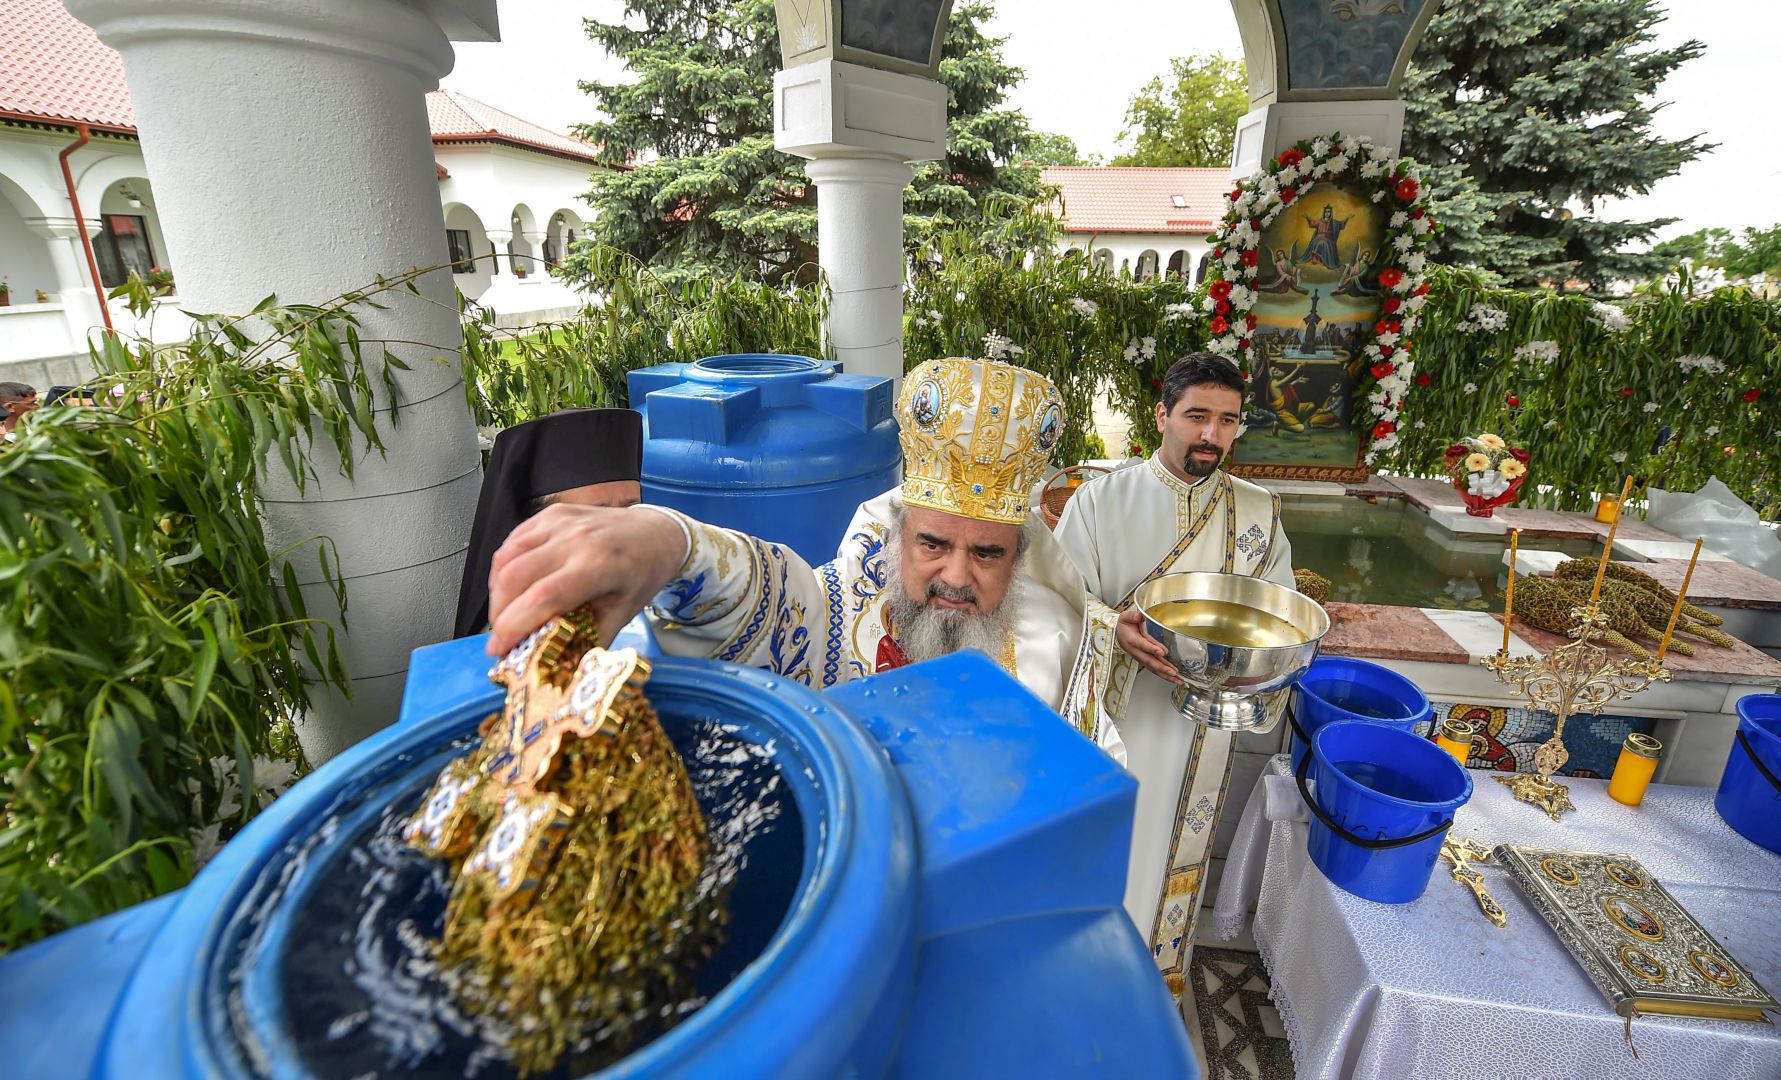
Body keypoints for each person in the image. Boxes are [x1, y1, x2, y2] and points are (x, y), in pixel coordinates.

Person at [482, 357, 1086, 709]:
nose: (955, 576)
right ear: (898, 535)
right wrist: (669, 543)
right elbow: (769, 595)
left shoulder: (1060, 644)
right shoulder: (843, 603)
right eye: (932, 544)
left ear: (1019, 556)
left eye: (987, 553)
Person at [1054, 352, 1294, 1004]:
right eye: (1196, 416)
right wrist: (1112, 629)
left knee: (1171, 855)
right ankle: (1084, 984)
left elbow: (1278, 615)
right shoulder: (1100, 501)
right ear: (1161, 415)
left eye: (1227, 420)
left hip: (1202, 731)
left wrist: (1261, 668)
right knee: (1113, 848)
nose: (1211, 435)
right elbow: (1054, 602)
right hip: (1115, 720)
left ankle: (1151, 993)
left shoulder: (1258, 514)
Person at [454, 408, 644, 638]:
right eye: (594, 516)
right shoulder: (521, 628)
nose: (619, 535)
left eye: (629, 511)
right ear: (534, 527)